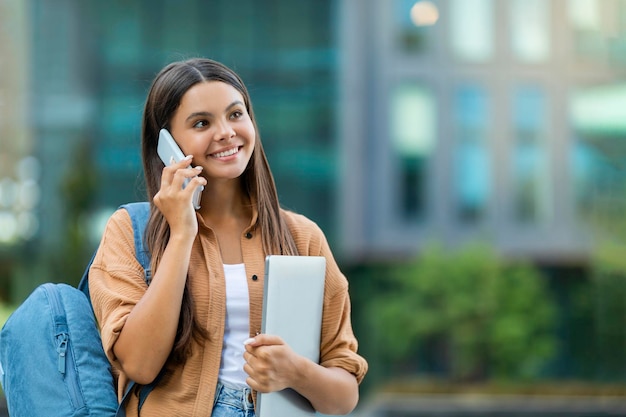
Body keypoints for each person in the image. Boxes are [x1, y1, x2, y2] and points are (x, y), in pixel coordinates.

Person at [88, 58, 368, 417]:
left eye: (236, 115)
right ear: (166, 143)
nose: (226, 132)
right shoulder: (130, 230)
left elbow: (344, 397)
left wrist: (295, 372)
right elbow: (139, 365)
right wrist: (182, 232)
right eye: (202, 122)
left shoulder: (303, 237)